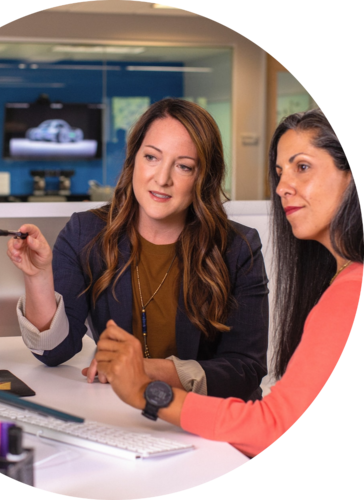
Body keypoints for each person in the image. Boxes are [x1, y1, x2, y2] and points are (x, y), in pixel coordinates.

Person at [94, 107, 363, 458]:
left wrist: (147, 392)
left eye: (303, 167)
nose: (283, 187)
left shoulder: (351, 291)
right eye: (280, 173)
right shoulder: (340, 278)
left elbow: (274, 426)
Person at [7, 98, 269, 401]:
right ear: (134, 160)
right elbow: (54, 352)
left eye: (183, 166)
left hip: (206, 420)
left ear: (203, 178)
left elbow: (245, 370)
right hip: (121, 413)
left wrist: (144, 369)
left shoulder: (238, 248)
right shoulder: (86, 233)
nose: (162, 179)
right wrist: (38, 276)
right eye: (152, 157)